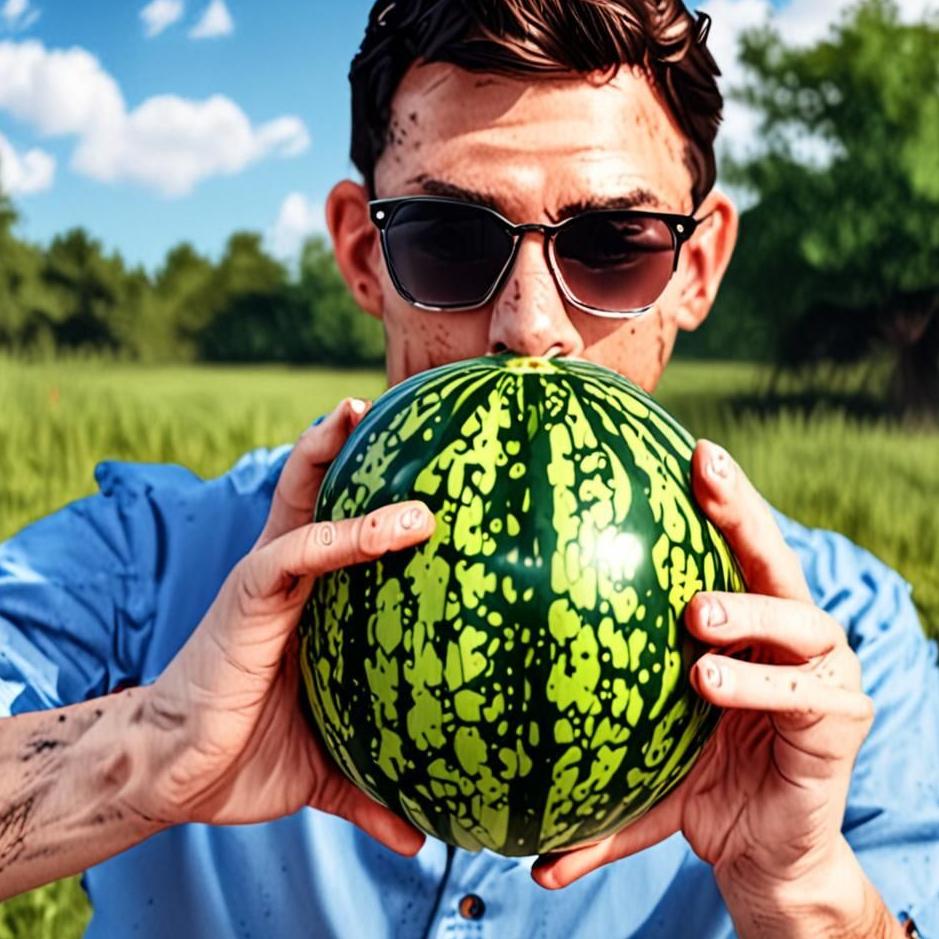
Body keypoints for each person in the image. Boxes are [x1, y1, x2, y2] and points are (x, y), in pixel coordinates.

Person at [1, 0, 937, 936]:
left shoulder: (848, 639)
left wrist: (809, 894)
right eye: (447, 240)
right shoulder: (148, 564)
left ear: (695, 269)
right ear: (366, 254)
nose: (529, 327)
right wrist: (145, 751)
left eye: (612, 246)